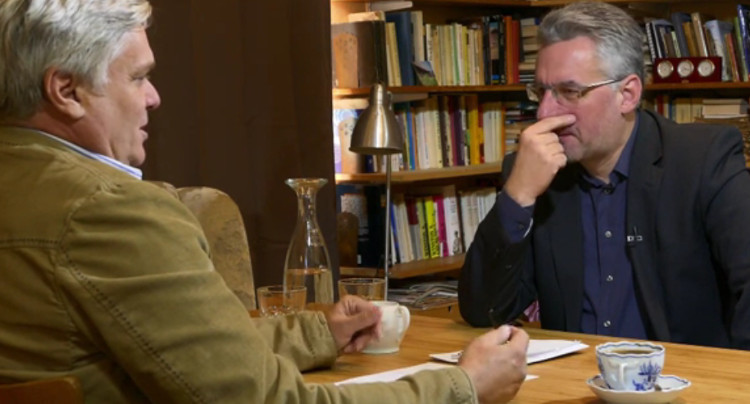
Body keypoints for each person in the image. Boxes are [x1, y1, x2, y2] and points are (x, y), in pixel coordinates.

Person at [0, 0, 529, 403]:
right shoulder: (110, 211)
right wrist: (461, 386)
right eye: (138, 77)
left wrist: (319, 331)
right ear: (66, 90)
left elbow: (187, 352)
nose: (154, 97)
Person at [459, 1, 750, 350]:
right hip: (572, 378)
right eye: (540, 92)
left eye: (570, 92)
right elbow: (483, 311)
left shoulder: (704, 160)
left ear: (627, 95)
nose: (545, 112)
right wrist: (517, 196)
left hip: (681, 379)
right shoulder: (534, 172)